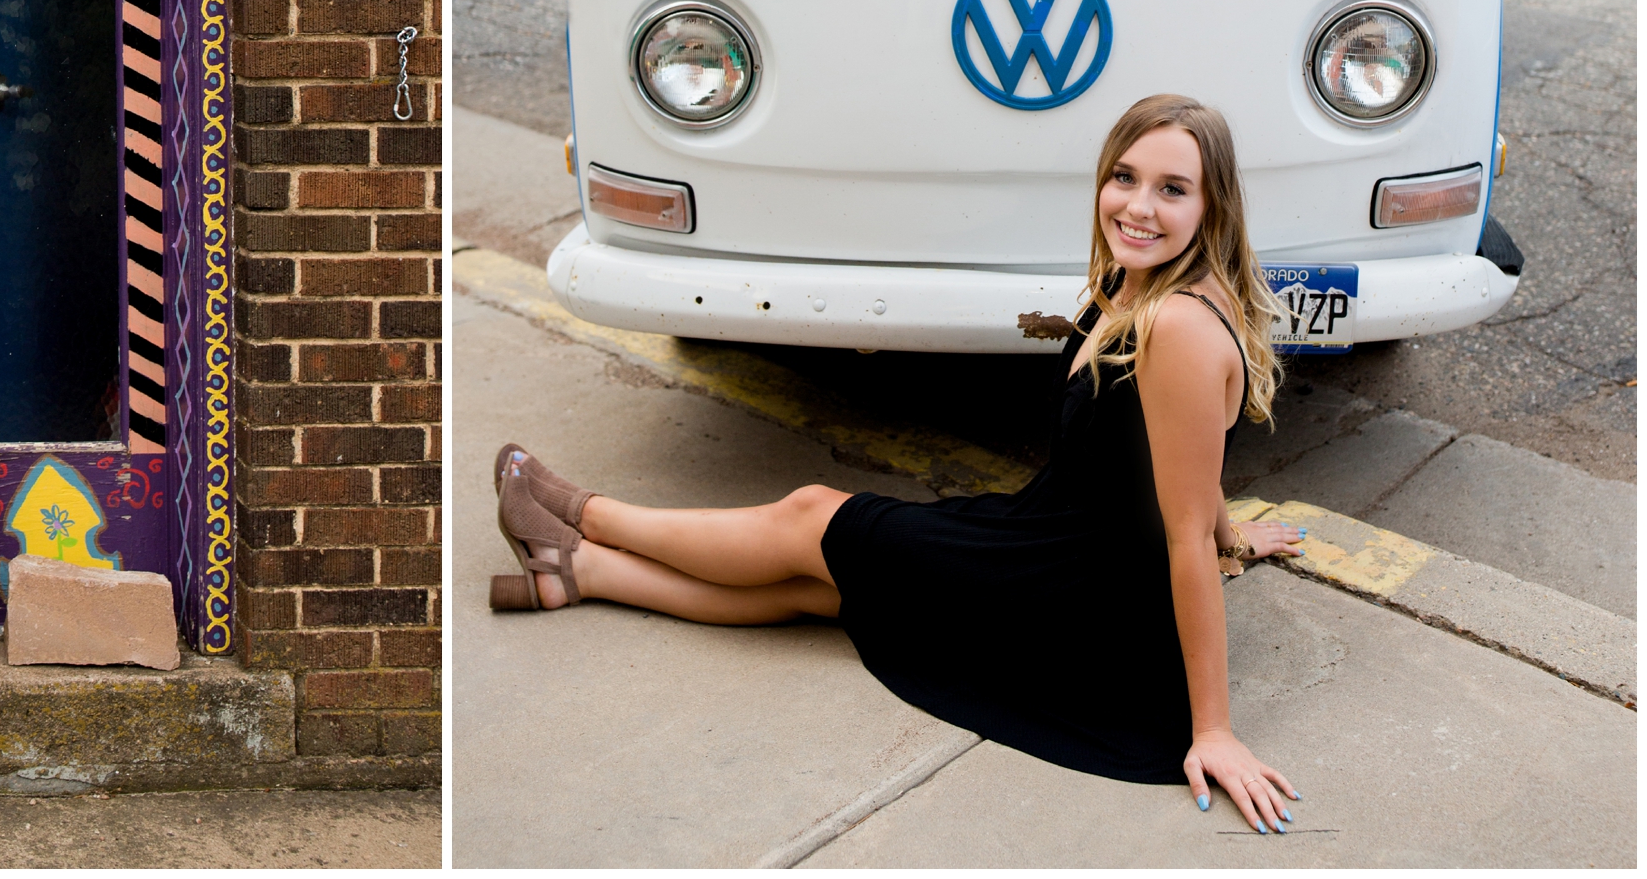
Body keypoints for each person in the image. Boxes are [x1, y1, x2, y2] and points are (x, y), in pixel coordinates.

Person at [491, 94, 1309, 833]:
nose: (1138, 205)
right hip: (1045, 542)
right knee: (828, 586)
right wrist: (1235, 535)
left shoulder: (1182, 328)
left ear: (1213, 206)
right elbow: (1191, 479)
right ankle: (581, 572)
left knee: (813, 516)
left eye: (1173, 188)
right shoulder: (1133, 284)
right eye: (1125, 176)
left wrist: (1212, 729)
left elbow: (1180, 534)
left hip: (1072, 595)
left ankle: (578, 512)